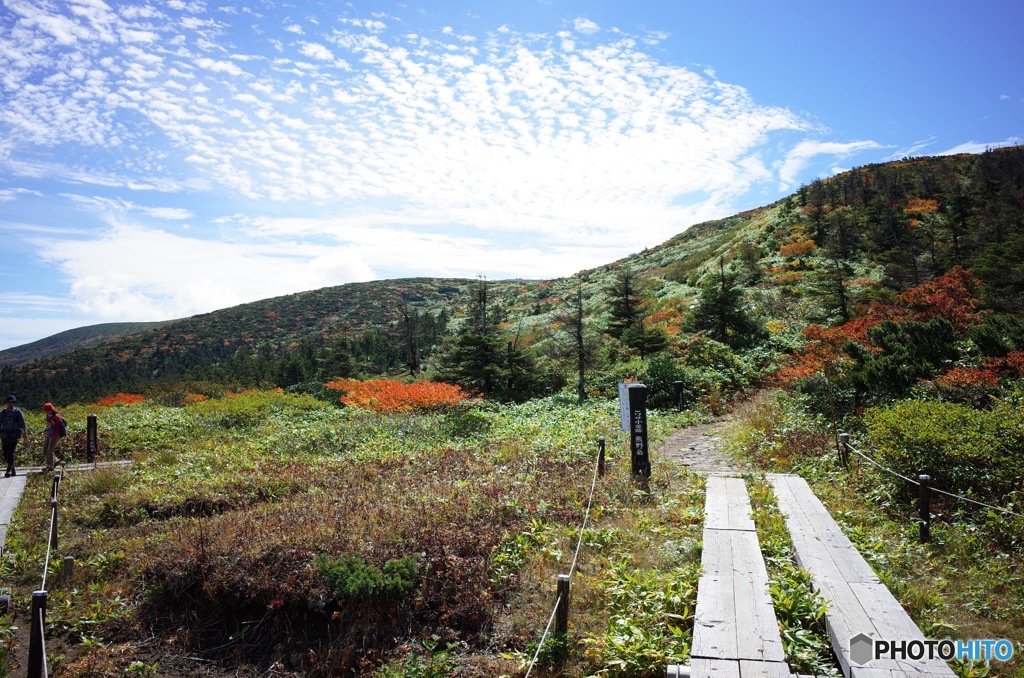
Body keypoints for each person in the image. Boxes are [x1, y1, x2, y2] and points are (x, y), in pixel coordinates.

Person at [0, 395, 27, 477]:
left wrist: (25, 433)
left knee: (11, 452)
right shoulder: (3, 413)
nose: (10, 404)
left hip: (15, 434)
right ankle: (12, 468)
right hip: (4, 434)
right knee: (5, 453)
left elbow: (22, 423)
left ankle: (8, 470)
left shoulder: (18, 412)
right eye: (9, 402)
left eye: (12, 402)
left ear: (14, 403)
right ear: (6, 403)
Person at [42, 402, 64, 472]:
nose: (46, 412)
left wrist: (63, 435)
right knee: (45, 450)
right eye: (45, 411)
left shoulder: (57, 416)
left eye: (47, 410)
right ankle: (56, 461)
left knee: (50, 450)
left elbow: (62, 426)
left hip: (55, 435)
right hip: (49, 434)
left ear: (51, 410)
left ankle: (50, 466)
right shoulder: (48, 416)